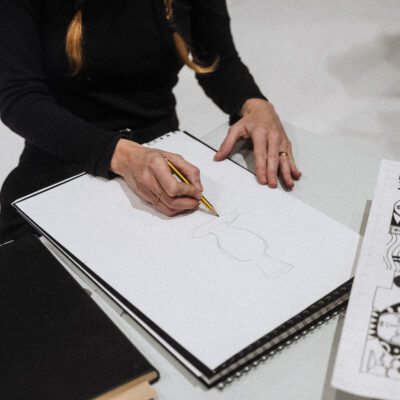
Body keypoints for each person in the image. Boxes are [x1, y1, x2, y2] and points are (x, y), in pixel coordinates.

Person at [0, 0, 301, 243]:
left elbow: (217, 60)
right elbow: (18, 96)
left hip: (162, 155)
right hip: (63, 154)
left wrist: (254, 105)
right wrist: (119, 155)